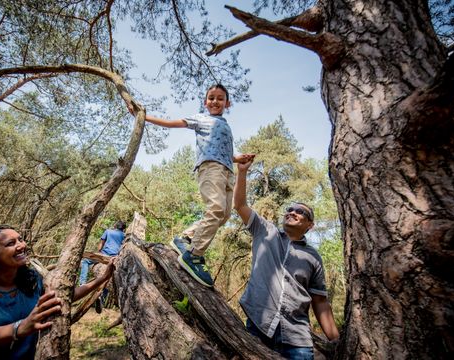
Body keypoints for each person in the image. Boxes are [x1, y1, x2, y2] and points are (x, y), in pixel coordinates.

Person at [142, 84, 254, 287]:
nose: (215, 101)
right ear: (205, 102)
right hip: (210, 168)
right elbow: (170, 123)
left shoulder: (225, 125)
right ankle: (193, 255)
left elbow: (224, 152)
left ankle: (186, 237)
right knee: (215, 209)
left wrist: (239, 158)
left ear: (227, 103)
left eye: (220, 98)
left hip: (227, 172)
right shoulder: (201, 119)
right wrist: (143, 116)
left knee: (224, 214)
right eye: (211, 98)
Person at [233, 159, 339, 360]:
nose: (292, 212)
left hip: (297, 340)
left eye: (300, 212)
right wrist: (242, 172)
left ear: (310, 225)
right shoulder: (265, 231)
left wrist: (336, 340)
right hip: (258, 327)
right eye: (290, 209)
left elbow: (320, 301)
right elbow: (239, 205)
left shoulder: (313, 257)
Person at [0, 225, 116, 359]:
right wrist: (18, 329)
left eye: (20, 239)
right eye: (10, 243)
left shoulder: (32, 280)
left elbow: (65, 297)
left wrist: (103, 278)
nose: (21, 245)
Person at [79, 220, 126, 286]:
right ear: (123, 228)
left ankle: (82, 282)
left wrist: (98, 252)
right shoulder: (124, 235)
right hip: (114, 258)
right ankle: (103, 295)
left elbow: (101, 243)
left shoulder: (108, 231)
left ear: (115, 226)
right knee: (109, 276)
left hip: (104, 255)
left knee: (85, 261)